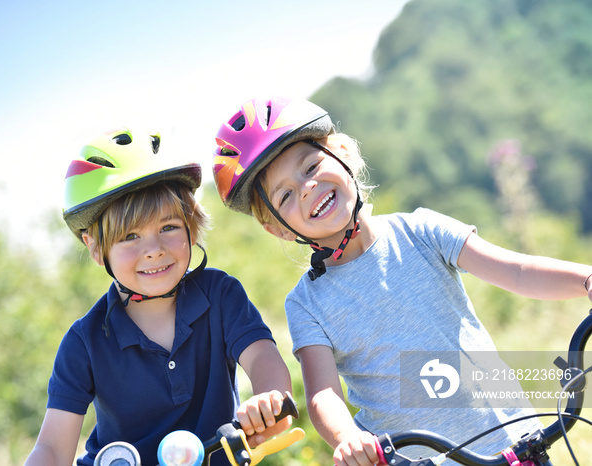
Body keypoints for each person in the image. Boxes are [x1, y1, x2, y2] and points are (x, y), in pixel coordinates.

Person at [211, 97, 592, 466]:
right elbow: (323, 394)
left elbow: (517, 271)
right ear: (276, 227)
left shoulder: (420, 230)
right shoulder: (307, 303)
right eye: (287, 195)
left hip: (513, 441)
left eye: (310, 167)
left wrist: (586, 279)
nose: (307, 187)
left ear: (342, 152)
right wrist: (349, 440)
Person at [26, 125, 292, 466]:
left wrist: (268, 398)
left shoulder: (221, 296)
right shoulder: (86, 341)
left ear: (191, 228)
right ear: (95, 248)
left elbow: (262, 359)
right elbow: (51, 449)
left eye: (168, 228)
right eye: (130, 236)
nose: (153, 250)